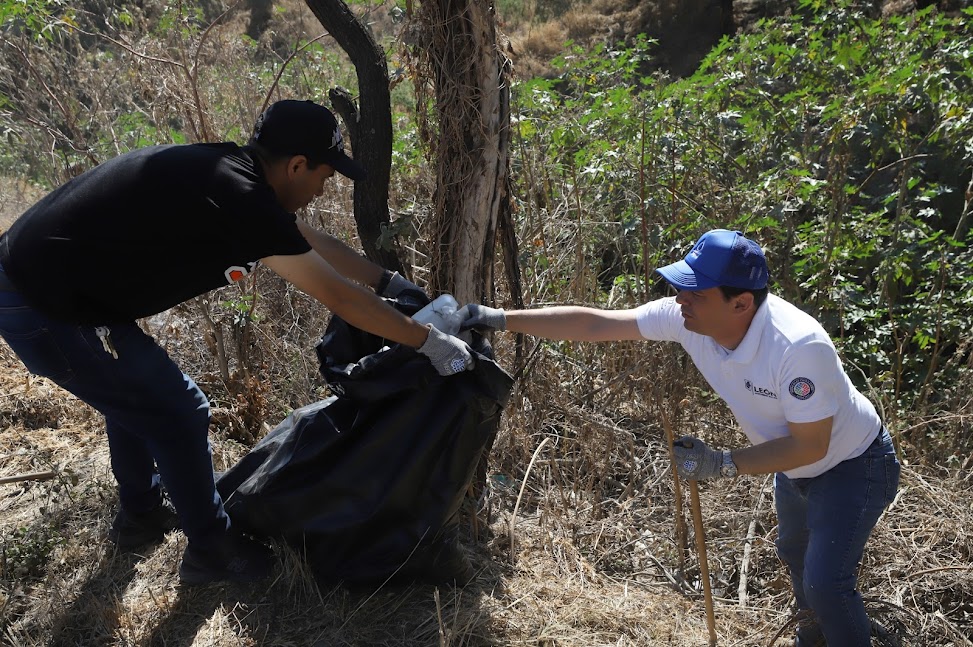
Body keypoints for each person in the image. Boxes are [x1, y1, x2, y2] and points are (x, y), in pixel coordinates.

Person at [0, 99, 473, 585]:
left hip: (50, 286)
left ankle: (141, 514)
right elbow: (336, 295)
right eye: (325, 176)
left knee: (138, 395)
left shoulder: (232, 176)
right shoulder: (241, 198)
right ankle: (212, 550)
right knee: (180, 411)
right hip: (42, 304)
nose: (321, 189)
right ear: (295, 165)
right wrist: (428, 341)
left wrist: (387, 282)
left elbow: (312, 245)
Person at [457, 229, 900, 646]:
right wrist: (496, 318)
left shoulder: (799, 349)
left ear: (741, 304)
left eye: (696, 292)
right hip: (794, 469)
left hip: (853, 465)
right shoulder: (689, 318)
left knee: (826, 582)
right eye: (682, 287)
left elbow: (811, 446)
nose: (680, 300)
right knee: (796, 556)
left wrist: (722, 462)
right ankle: (816, 638)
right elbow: (597, 325)